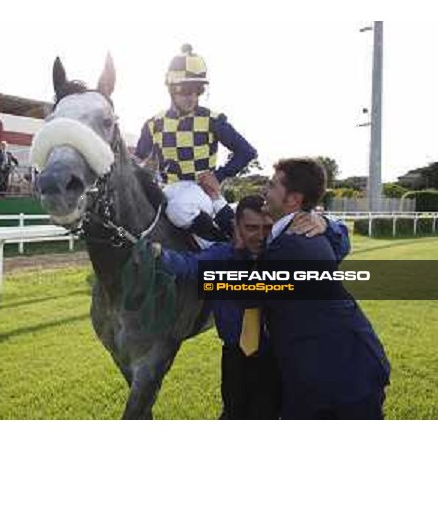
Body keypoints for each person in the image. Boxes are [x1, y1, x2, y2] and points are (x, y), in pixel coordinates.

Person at [159, 158, 390, 419]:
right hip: (317, 372)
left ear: (292, 199)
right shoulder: (295, 234)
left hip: (343, 376)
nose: (264, 190)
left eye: (271, 185)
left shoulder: (292, 245)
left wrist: (328, 224)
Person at [134, 44, 257, 244]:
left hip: (199, 189)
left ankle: (222, 242)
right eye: (185, 89)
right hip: (167, 188)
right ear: (171, 89)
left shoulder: (213, 120)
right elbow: (138, 157)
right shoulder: (153, 123)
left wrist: (219, 175)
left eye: (198, 90)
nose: (192, 96)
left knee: (179, 209)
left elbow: (247, 152)